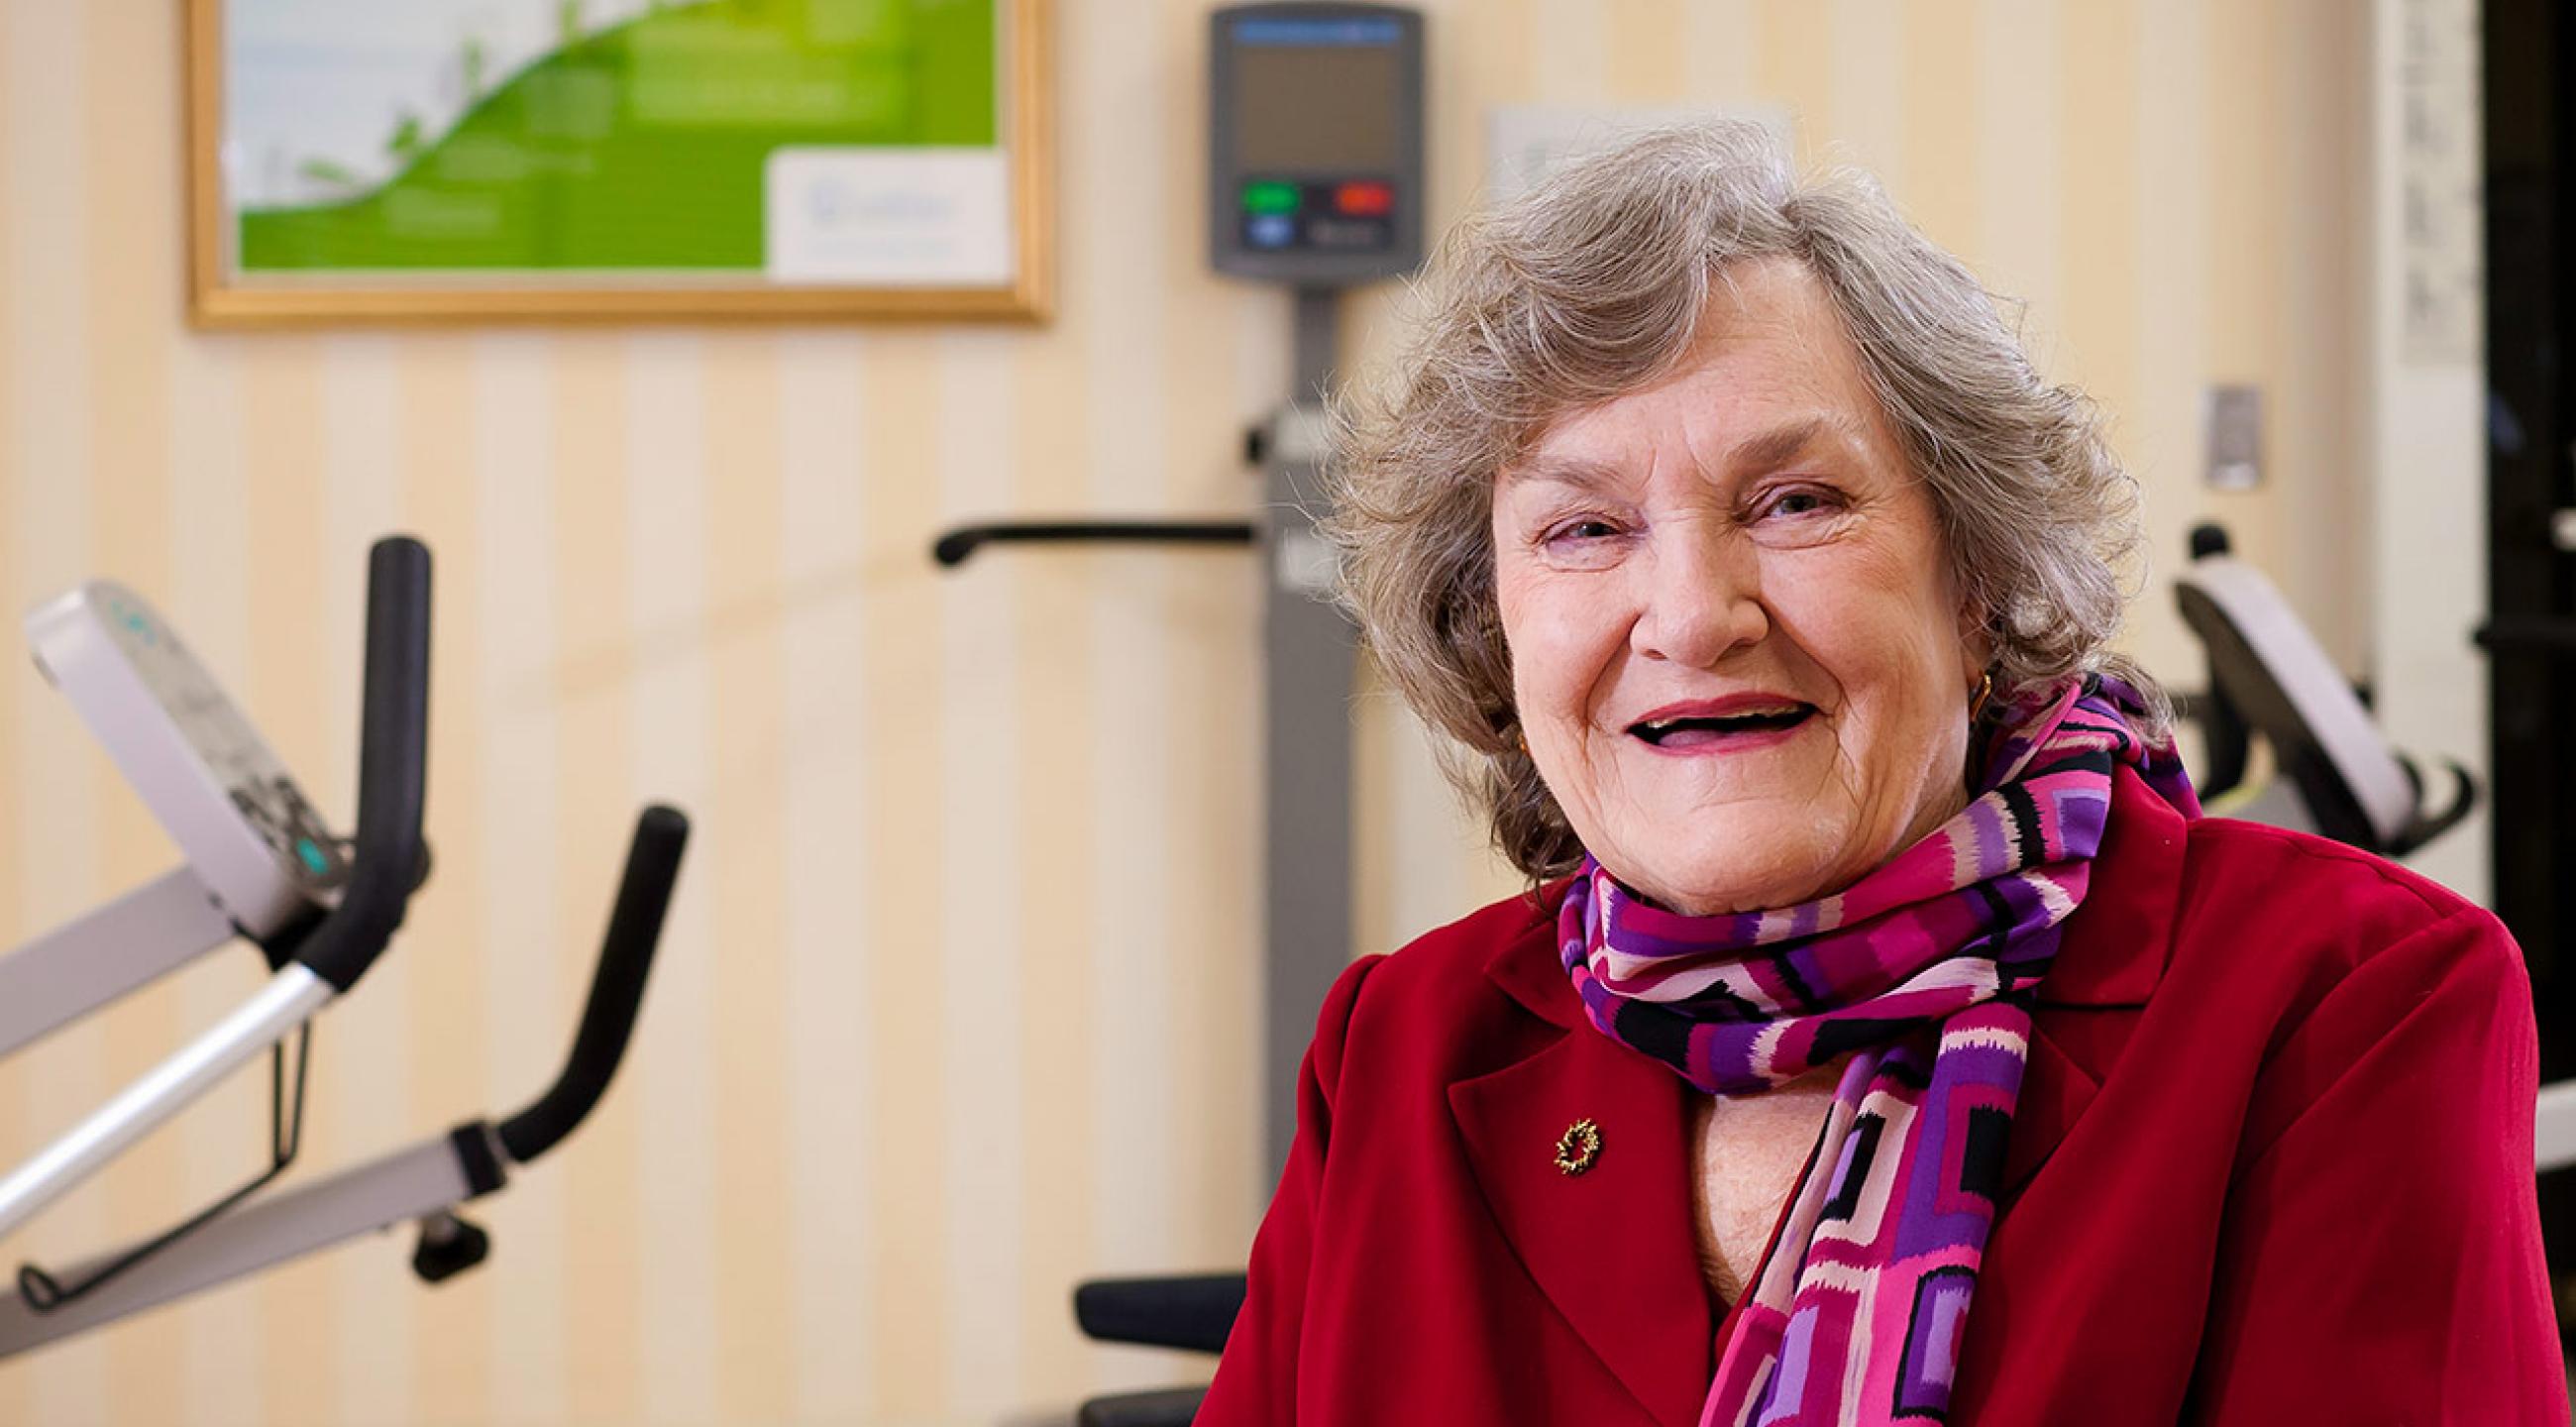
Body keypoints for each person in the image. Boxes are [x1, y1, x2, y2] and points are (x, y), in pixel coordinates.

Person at [1195, 123, 2565, 1426]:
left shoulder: (2350, 998)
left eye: (1796, 504)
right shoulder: (1402, 1046)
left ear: (1974, 577)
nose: (1690, 615)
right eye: (1583, 527)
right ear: (1493, 621)